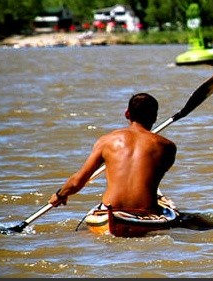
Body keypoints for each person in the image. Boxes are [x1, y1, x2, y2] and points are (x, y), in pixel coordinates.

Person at [49, 93, 177, 217]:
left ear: (127, 113)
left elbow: (77, 182)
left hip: (111, 210)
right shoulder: (167, 147)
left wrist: (60, 195)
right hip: (145, 212)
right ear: (154, 117)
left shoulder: (106, 141)